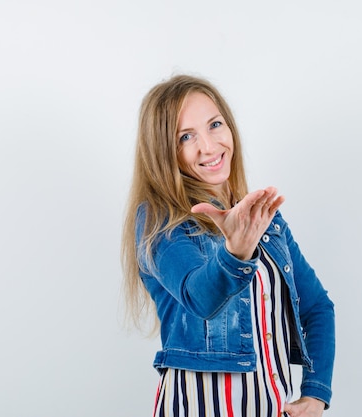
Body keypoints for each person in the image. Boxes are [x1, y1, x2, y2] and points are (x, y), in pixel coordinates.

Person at [121, 74, 335, 417]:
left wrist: (316, 392)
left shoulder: (265, 220)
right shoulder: (159, 220)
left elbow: (317, 307)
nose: (208, 146)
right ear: (165, 152)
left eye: (215, 125)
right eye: (186, 137)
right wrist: (235, 253)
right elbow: (199, 297)